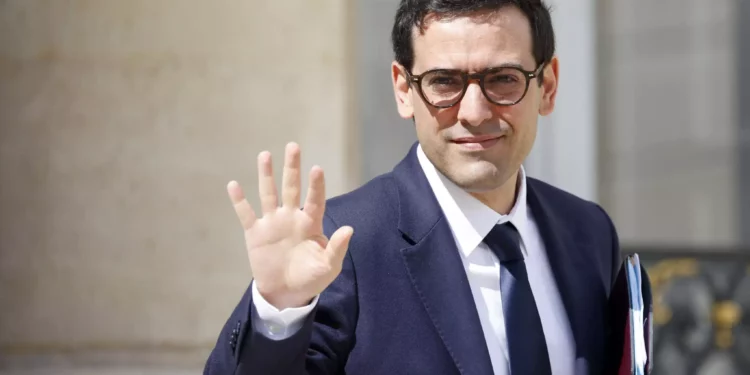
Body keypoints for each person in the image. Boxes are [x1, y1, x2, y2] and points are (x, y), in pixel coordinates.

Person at [204, 0, 622, 374]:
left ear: (546, 86)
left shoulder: (587, 231)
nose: (474, 112)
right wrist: (279, 312)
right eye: (444, 82)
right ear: (405, 91)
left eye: (503, 79)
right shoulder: (342, 242)